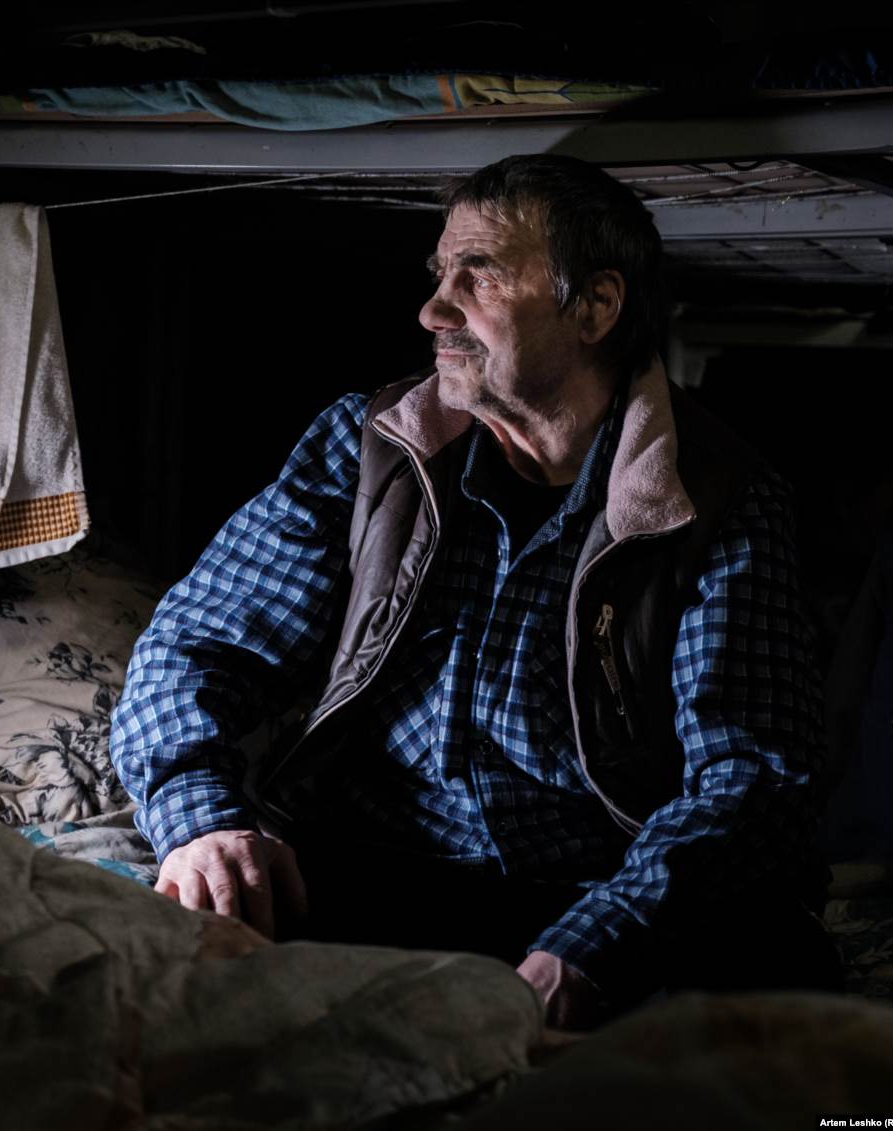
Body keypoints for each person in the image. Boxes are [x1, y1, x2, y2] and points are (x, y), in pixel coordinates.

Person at [109, 154, 839, 1029]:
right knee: (147, 983)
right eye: (439, 273)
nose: (434, 309)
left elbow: (749, 773)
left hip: (600, 886)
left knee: (771, 993)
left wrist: (595, 945)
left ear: (595, 307)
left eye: (478, 274)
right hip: (370, 867)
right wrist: (203, 819)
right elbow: (193, 648)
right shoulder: (370, 448)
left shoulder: (720, 496)